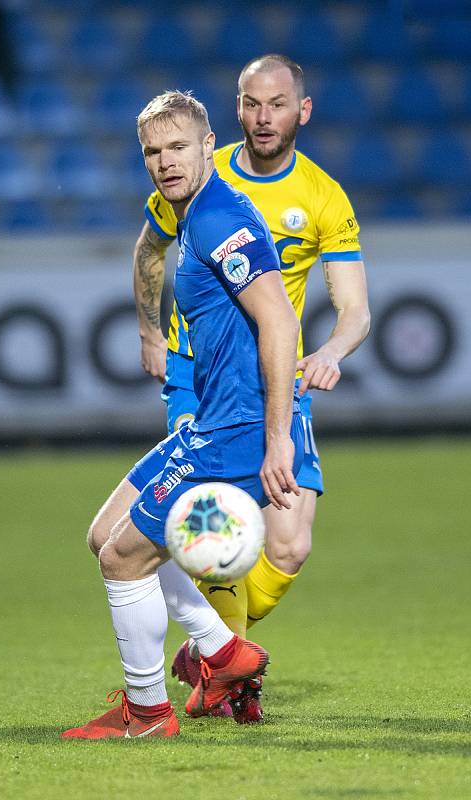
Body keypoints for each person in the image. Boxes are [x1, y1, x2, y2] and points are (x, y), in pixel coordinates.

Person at [129, 55, 370, 723]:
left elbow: (354, 308)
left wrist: (329, 350)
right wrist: (152, 332)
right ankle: (227, 670)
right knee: (208, 524)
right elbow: (150, 248)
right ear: (233, 111)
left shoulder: (322, 197)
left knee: (287, 544)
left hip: (272, 377)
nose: (263, 116)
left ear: (302, 110)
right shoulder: (197, 170)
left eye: (277, 103)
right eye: (250, 103)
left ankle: (211, 650)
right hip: (199, 380)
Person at [62, 90, 304, 740]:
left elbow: (279, 319)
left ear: (206, 147)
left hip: (234, 431)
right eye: (152, 151)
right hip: (208, 423)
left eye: (177, 147)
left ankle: (146, 713)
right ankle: (224, 655)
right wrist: (150, 333)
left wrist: (276, 437)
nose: (165, 161)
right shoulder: (188, 215)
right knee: (103, 536)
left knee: (122, 561)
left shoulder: (218, 220)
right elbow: (145, 251)